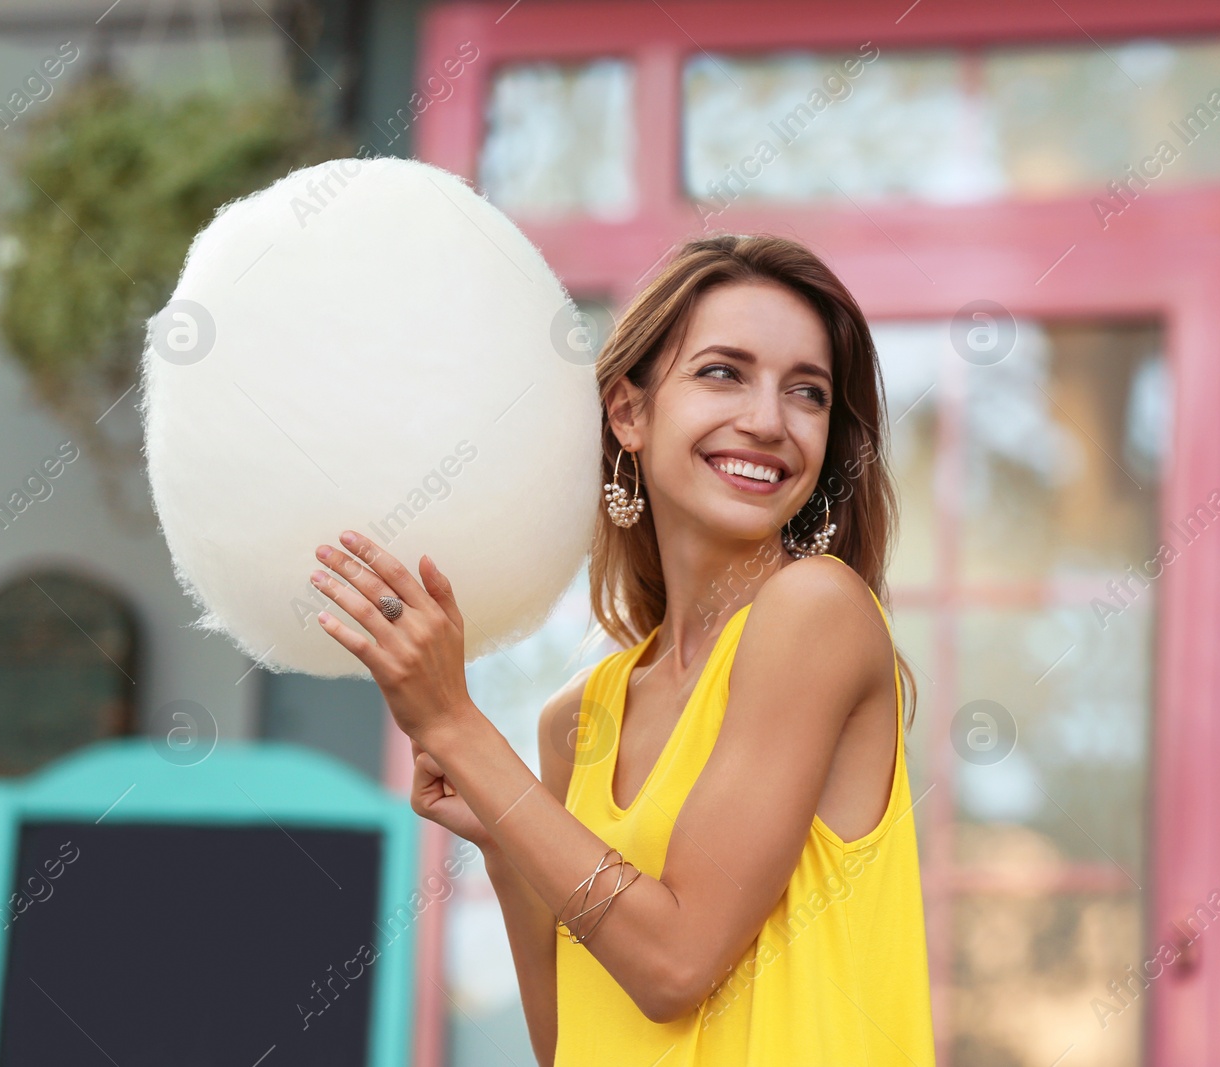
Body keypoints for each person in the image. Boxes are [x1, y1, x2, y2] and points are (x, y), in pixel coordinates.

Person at [309, 233, 935, 1065]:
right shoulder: (579, 718)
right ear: (628, 411)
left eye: (808, 393)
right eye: (724, 372)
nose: (767, 420)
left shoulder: (816, 611)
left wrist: (458, 727)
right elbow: (571, 1038)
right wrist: (503, 835)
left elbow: (675, 964)